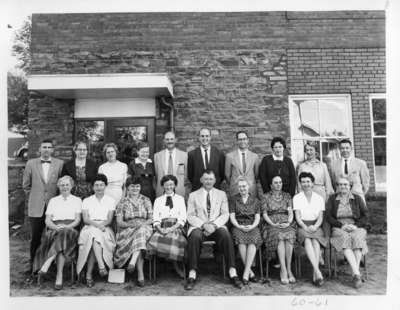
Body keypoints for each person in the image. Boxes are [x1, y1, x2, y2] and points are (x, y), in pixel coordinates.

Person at [185, 169, 243, 290]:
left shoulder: (221, 194)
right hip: (199, 226)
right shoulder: (193, 195)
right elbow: (190, 215)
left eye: (211, 179)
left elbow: (225, 214)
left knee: (226, 236)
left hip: (216, 226)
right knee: (194, 237)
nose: (208, 181)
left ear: (215, 180)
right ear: (201, 180)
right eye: (206, 179)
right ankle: (192, 273)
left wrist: (214, 225)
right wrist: (203, 225)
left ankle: (232, 271)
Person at [22, 139, 64, 275]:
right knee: (36, 237)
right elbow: (26, 186)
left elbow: (61, 185)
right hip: (36, 206)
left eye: (49, 147)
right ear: (40, 149)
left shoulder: (59, 164)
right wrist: (36, 197)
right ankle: (33, 264)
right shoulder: (31, 163)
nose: (46, 149)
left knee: (53, 236)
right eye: (44, 147)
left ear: (52, 150)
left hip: (54, 207)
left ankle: (49, 264)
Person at [32, 176, 81, 290]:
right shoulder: (53, 201)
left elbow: (78, 220)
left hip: (71, 230)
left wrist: (67, 227)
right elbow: (47, 220)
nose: (65, 187)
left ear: (71, 186)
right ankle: (59, 276)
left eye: (67, 185)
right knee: (61, 239)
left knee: (64, 233)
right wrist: (55, 227)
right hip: (54, 230)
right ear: (58, 187)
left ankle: (48, 262)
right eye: (62, 185)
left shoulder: (77, 200)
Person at [326, 176, 369, 289]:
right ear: (337, 187)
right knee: (344, 239)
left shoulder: (357, 198)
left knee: (357, 238)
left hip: (356, 226)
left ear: (350, 186)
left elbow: (365, 215)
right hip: (339, 227)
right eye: (340, 184)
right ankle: (357, 273)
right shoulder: (332, 199)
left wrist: (355, 226)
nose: (343, 187)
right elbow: (329, 217)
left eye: (345, 184)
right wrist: (342, 225)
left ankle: (356, 274)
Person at [76, 174, 116, 288]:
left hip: (105, 227)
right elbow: (86, 219)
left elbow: (109, 219)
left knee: (94, 238)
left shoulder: (110, 200)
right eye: (96, 185)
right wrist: (98, 225)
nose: (99, 187)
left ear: (105, 186)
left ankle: (89, 275)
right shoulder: (86, 200)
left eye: (101, 185)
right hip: (89, 227)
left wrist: (101, 225)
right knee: (94, 235)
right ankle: (101, 265)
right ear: (93, 187)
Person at [114, 176, 153, 287]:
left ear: (140, 187)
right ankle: (140, 273)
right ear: (127, 188)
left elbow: (151, 219)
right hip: (128, 229)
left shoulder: (146, 200)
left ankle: (133, 262)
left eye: (137, 186)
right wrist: (132, 225)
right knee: (140, 238)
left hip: (145, 227)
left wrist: (142, 224)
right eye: (132, 186)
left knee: (141, 231)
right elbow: (119, 222)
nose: (135, 188)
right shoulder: (122, 202)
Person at [147, 175, 187, 278]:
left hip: (176, 226)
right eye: (166, 185)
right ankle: (167, 264)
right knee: (155, 240)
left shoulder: (180, 199)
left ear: (175, 185)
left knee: (174, 239)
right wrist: (160, 229)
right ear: (162, 186)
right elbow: (155, 218)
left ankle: (176, 266)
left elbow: (182, 218)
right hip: (162, 227)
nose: (169, 187)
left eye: (171, 184)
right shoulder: (158, 200)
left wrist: (171, 228)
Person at [293, 172, 327, 286]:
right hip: (302, 225)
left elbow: (320, 217)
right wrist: (304, 226)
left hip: (316, 225)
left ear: (312, 183)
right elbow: (297, 217)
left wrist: (315, 226)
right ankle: (317, 272)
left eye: (308, 181)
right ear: (300, 184)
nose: (306, 184)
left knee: (316, 241)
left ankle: (315, 273)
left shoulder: (319, 198)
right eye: (303, 182)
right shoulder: (297, 198)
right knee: (307, 240)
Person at [261, 175, 296, 284]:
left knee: (290, 235)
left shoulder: (287, 196)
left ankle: (289, 269)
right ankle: (283, 270)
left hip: (286, 222)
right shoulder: (265, 196)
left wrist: (289, 222)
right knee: (279, 237)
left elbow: (290, 211)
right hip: (271, 223)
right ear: (271, 185)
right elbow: (265, 214)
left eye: (280, 182)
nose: (278, 184)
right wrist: (273, 224)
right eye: (275, 182)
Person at [229, 177, 262, 285]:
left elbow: (257, 217)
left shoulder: (256, 200)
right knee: (241, 240)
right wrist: (239, 226)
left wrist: (252, 226)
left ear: (249, 187)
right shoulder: (233, 199)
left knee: (253, 239)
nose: (242, 188)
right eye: (240, 186)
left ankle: (246, 273)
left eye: (244, 186)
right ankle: (250, 273)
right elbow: (232, 216)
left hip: (252, 225)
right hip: (238, 226)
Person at [188, 128, 225, 192]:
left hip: (215, 190)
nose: (204, 138)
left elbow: (222, 174)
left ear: (210, 137)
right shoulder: (192, 155)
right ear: (199, 138)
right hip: (197, 190)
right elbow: (190, 175)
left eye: (207, 136)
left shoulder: (219, 154)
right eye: (202, 136)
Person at [154, 131, 189, 198]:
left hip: (179, 192)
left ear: (175, 140)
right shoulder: (157, 156)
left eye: (171, 139)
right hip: (161, 192)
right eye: (167, 139)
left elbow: (186, 177)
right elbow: (156, 176)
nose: (169, 141)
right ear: (164, 141)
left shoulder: (184, 156)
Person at [225, 131, 260, 197]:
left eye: (244, 139)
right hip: (235, 190)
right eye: (240, 139)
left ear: (247, 140)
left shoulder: (255, 156)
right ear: (237, 141)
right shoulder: (229, 156)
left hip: (251, 190)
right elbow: (227, 175)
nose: (242, 141)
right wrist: (235, 183)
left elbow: (256, 175)